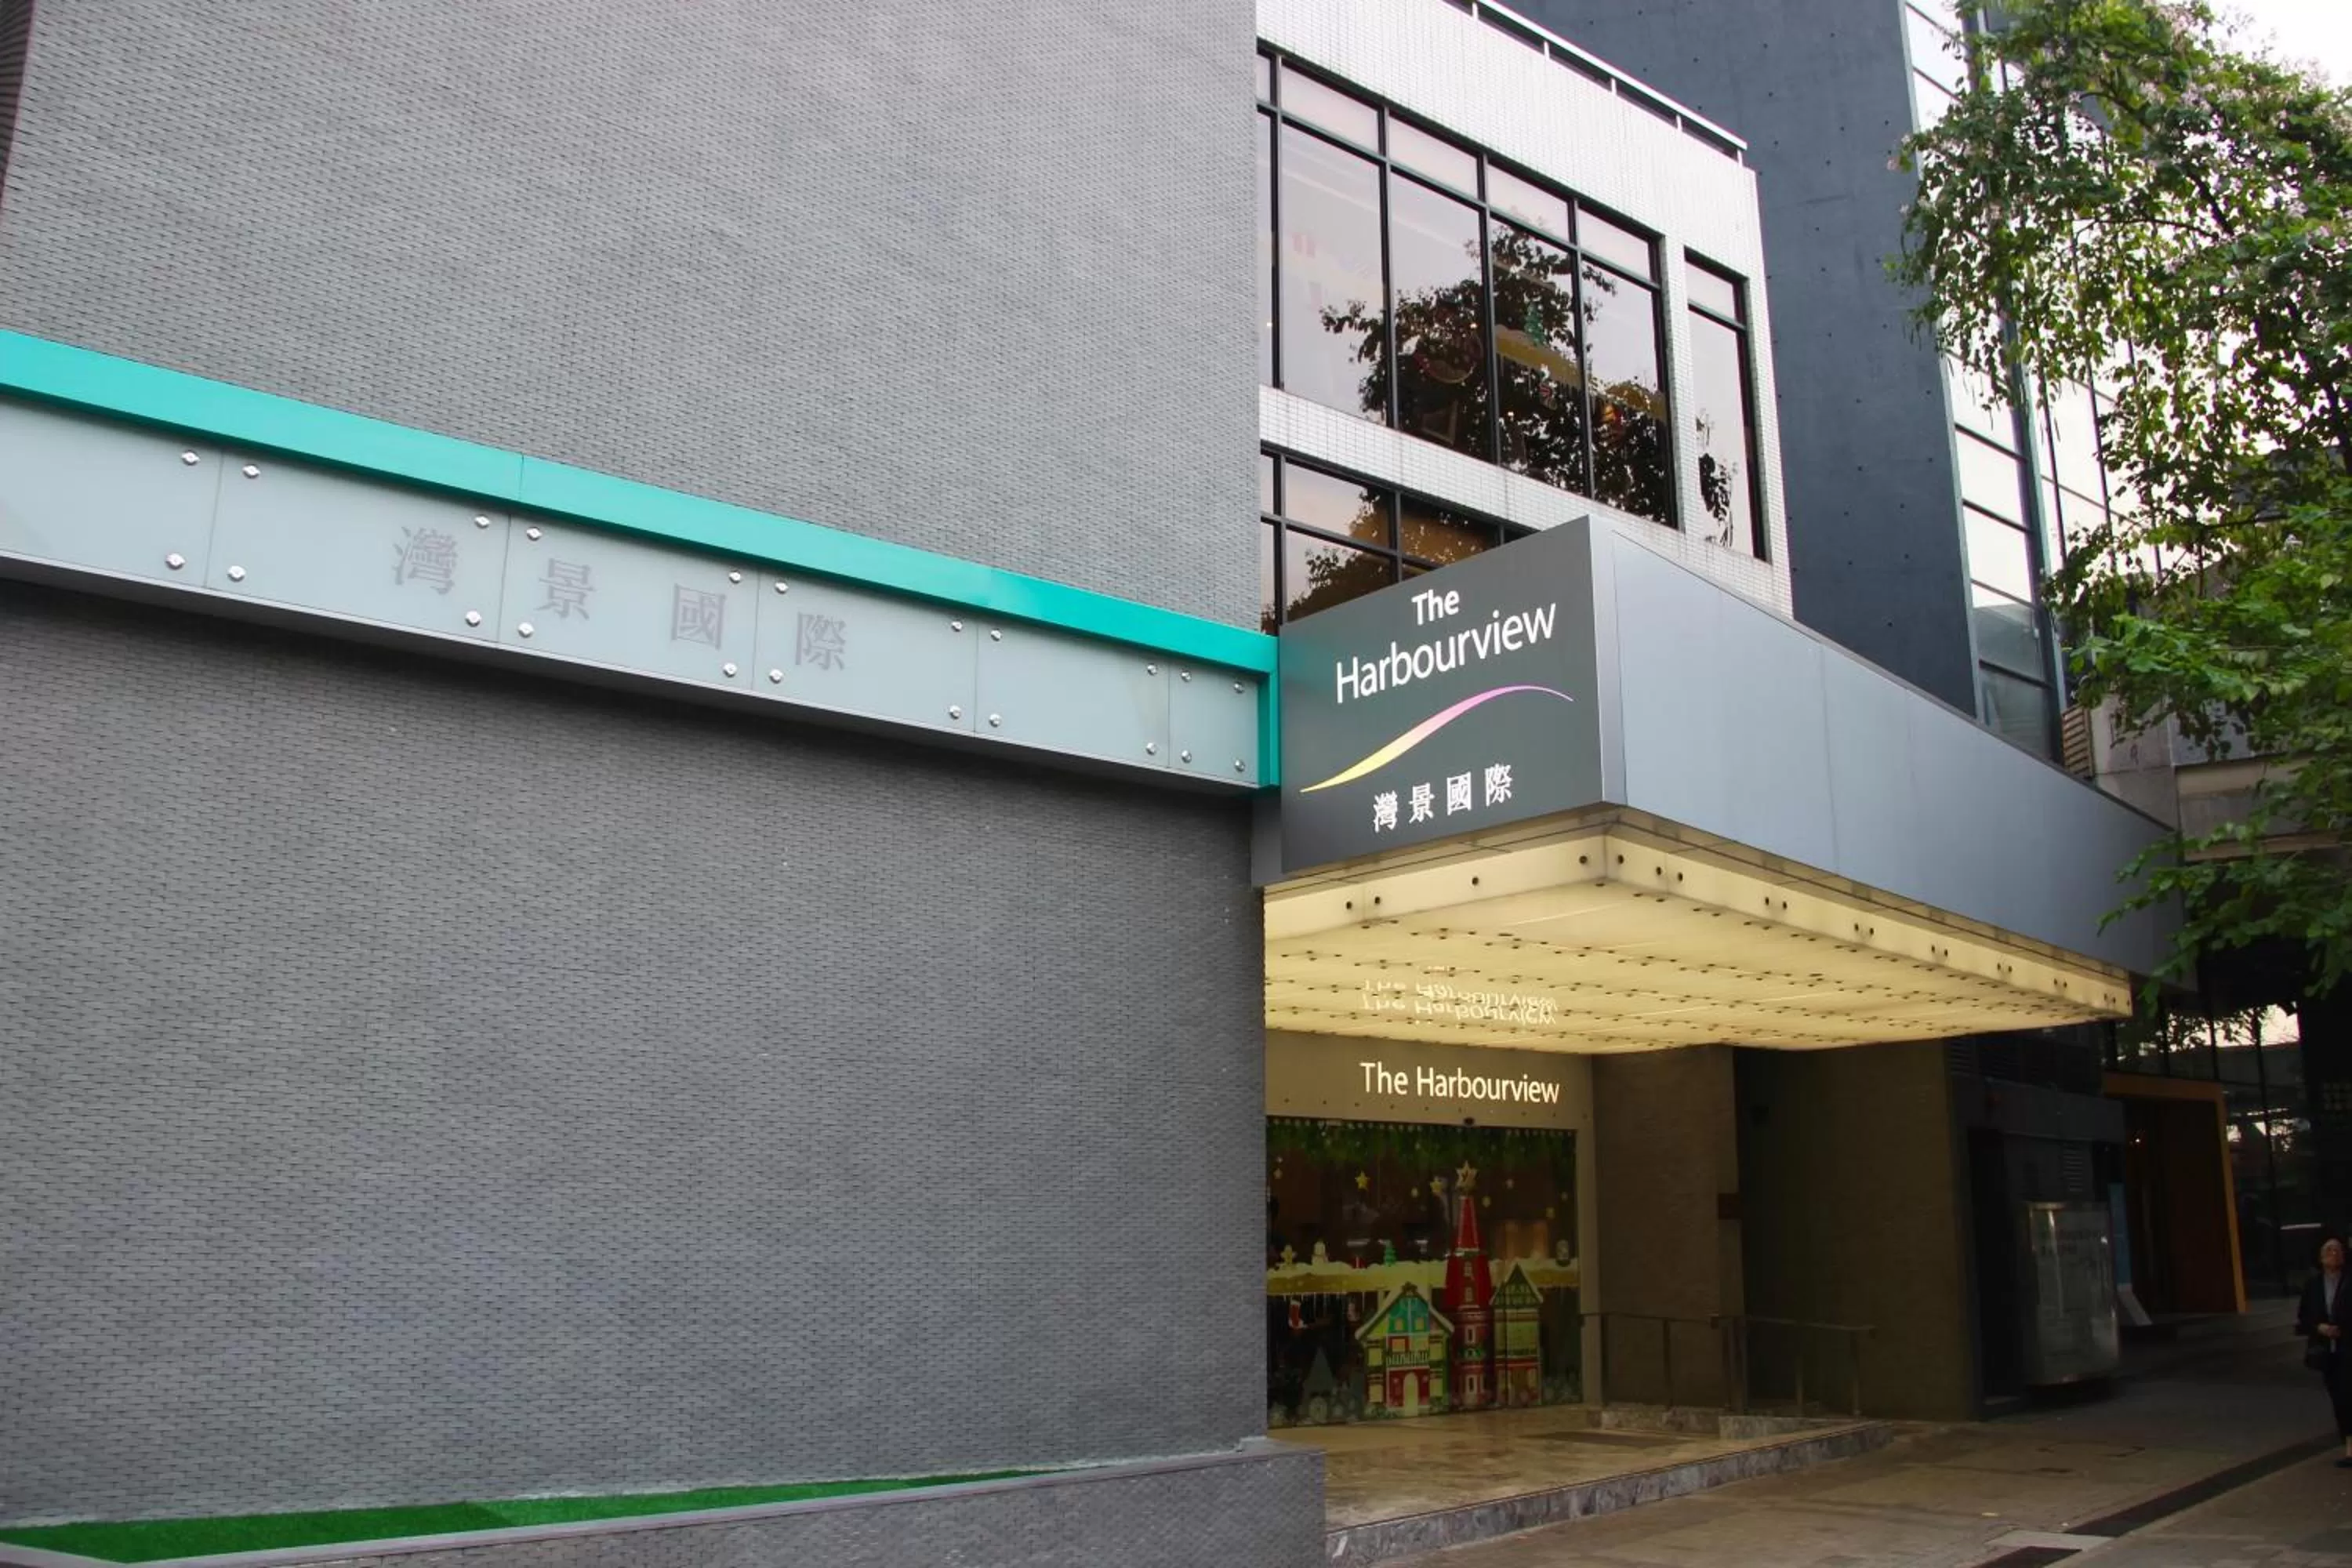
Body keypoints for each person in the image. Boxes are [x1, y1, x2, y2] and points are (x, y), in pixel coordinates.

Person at [2296, 1234, 2352, 1467]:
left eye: (2338, 1250)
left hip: (2349, 1346)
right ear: (2320, 1257)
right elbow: (2304, 1317)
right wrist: (2320, 1327)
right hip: (2327, 1351)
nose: (2334, 1254)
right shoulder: (2313, 1285)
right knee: (2340, 1398)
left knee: (2350, 1395)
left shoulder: (2349, 1281)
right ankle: (2349, 1445)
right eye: (2329, 1251)